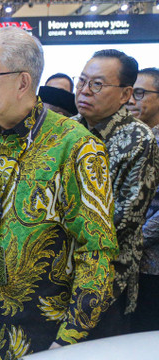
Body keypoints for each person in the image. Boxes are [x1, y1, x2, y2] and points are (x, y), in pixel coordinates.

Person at [0, 27, 118, 359]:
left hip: (42, 339)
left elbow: (97, 254)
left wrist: (68, 342)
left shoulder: (76, 148)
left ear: (22, 82)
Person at [74, 51, 159, 338]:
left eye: (97, 84)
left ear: (125, 94)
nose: (84, 91)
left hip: (106, 279)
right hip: (57, 276)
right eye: (82, 81)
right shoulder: (67, 131)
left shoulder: (139, 139)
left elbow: (126, 219)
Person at [127, 67, 159, 333]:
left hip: (153, 266)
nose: (130, 100)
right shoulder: (131, 138)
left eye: (140, 93)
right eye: (129, 92)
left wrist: (133, 240)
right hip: (128, 265)